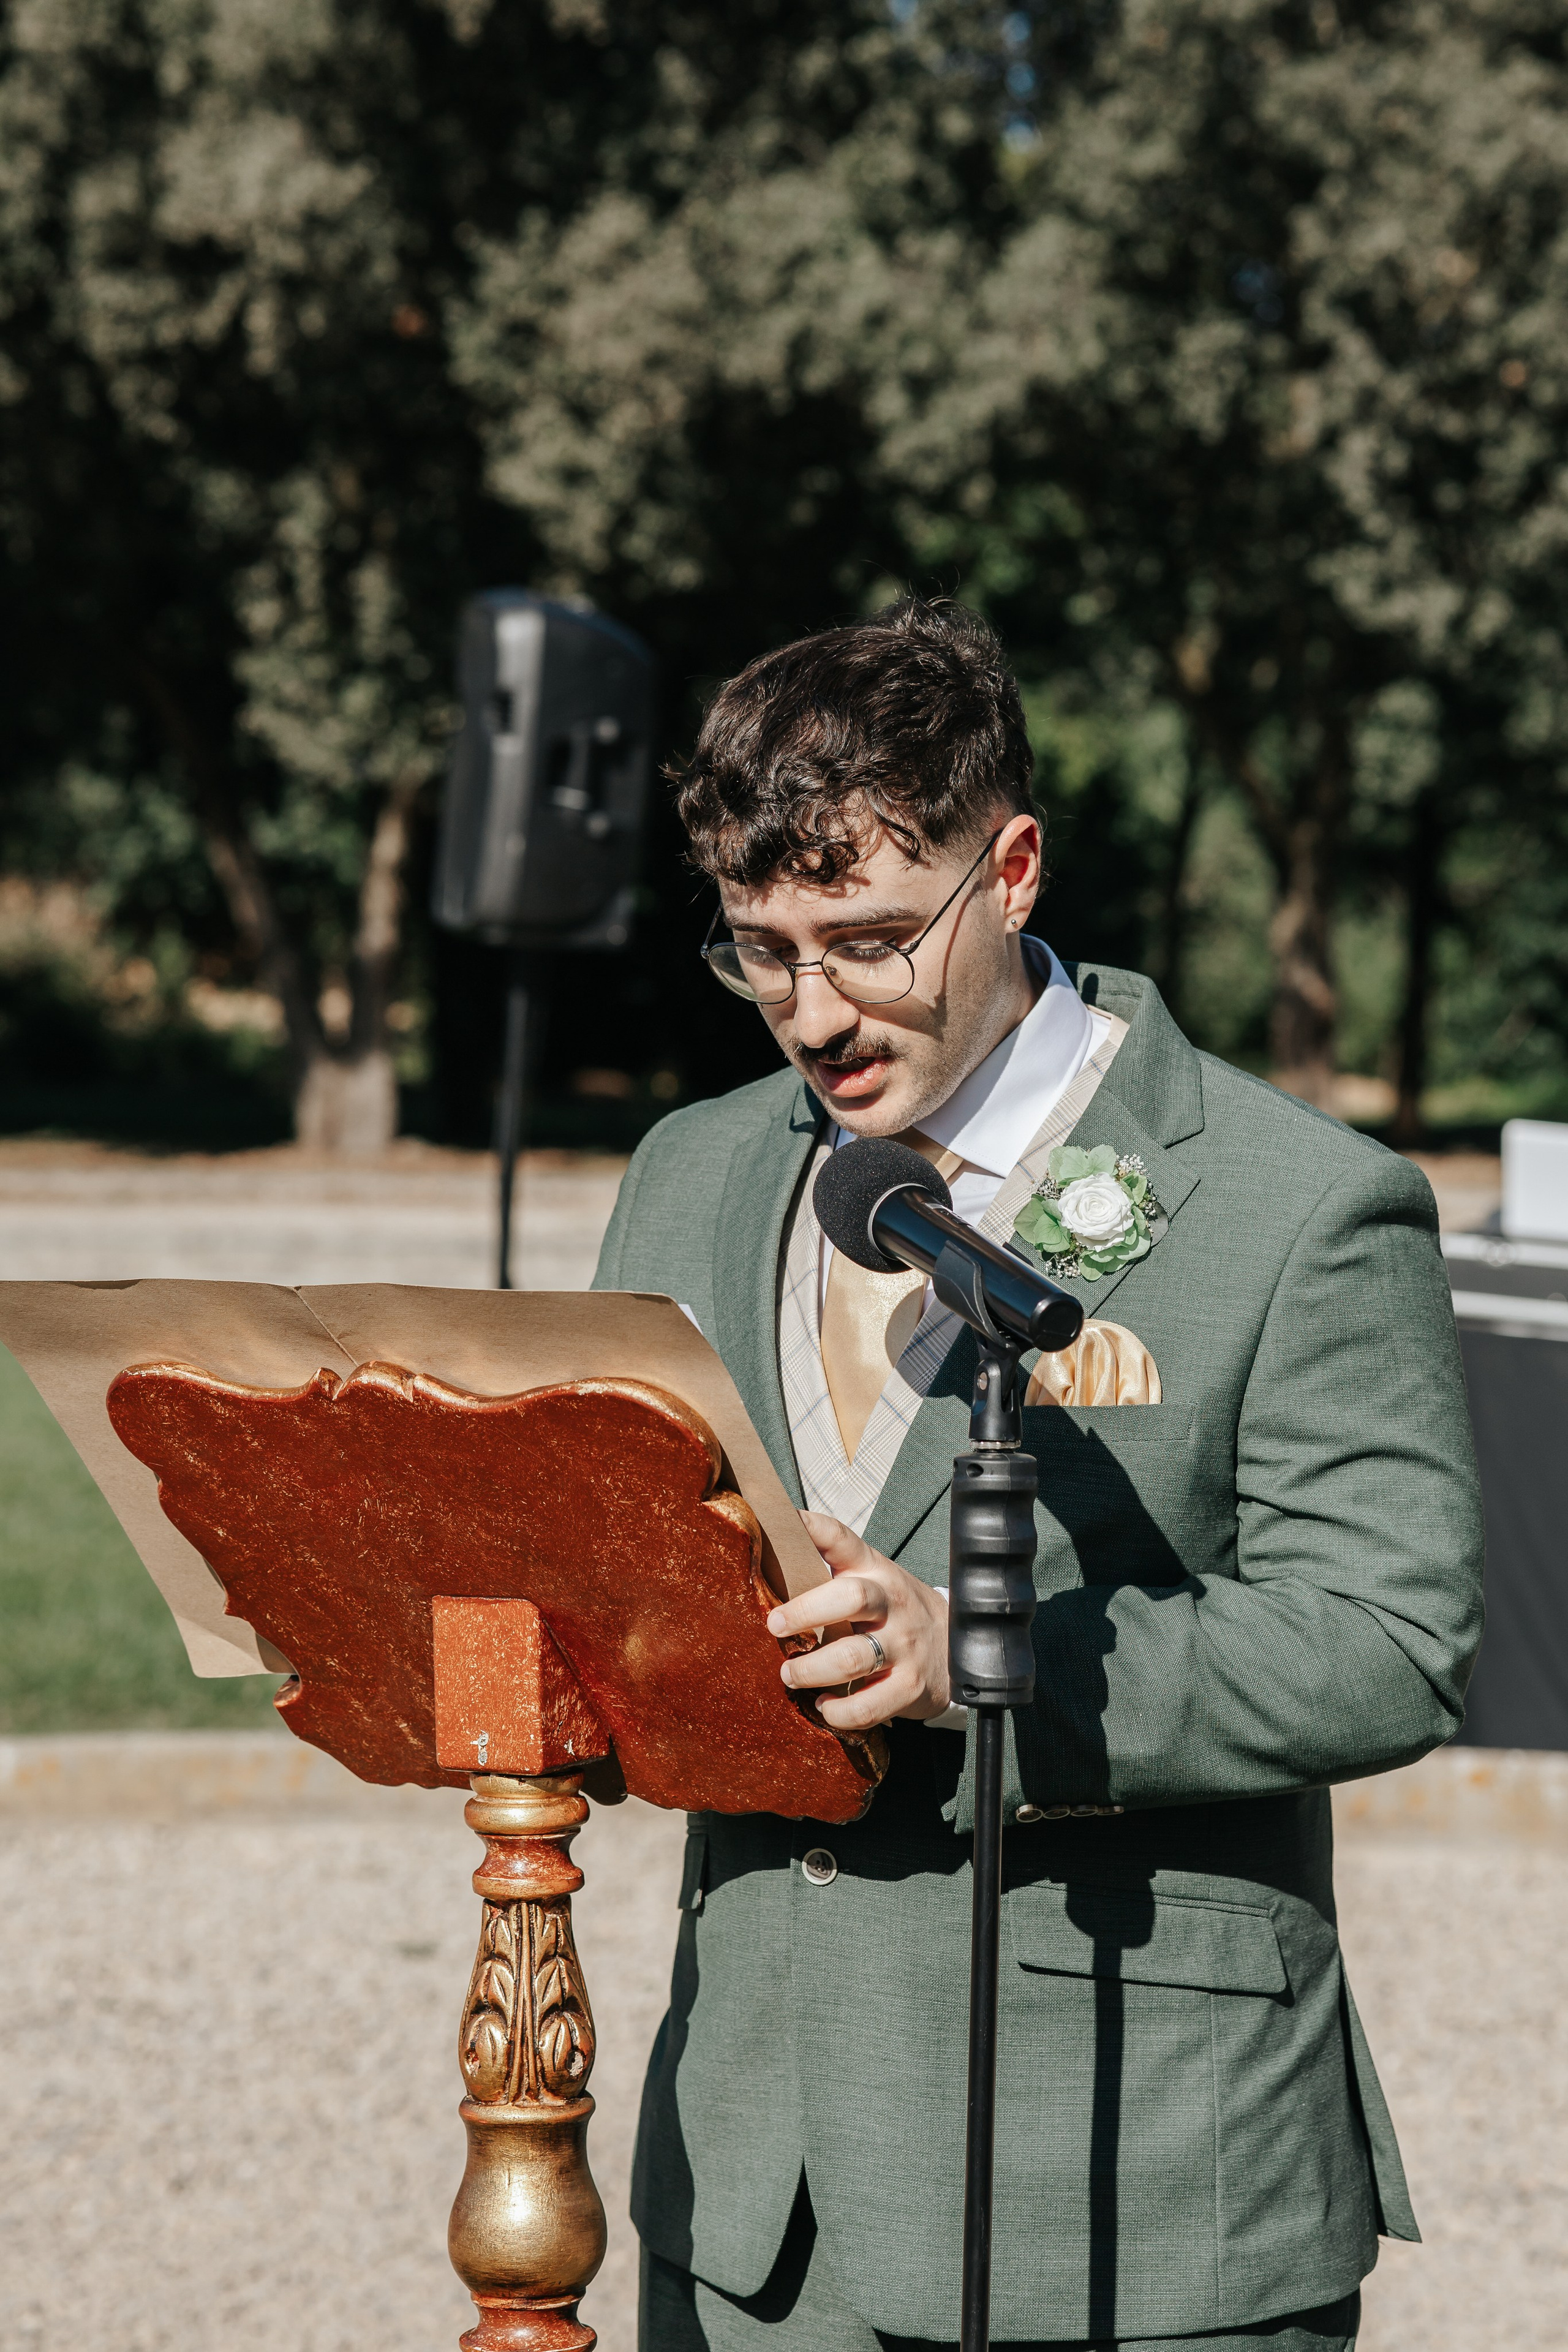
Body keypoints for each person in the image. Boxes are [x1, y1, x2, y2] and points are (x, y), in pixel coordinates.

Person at [591, 599, 1484, 2352]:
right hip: (757, 2206)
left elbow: (1391, 1639)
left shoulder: (1298, 1202)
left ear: (1011, 871)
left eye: (868, 941)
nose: (813, 1013)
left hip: (1134, 2185)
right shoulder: (688, 1173)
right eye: (760, 952)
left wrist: (981, 1662)